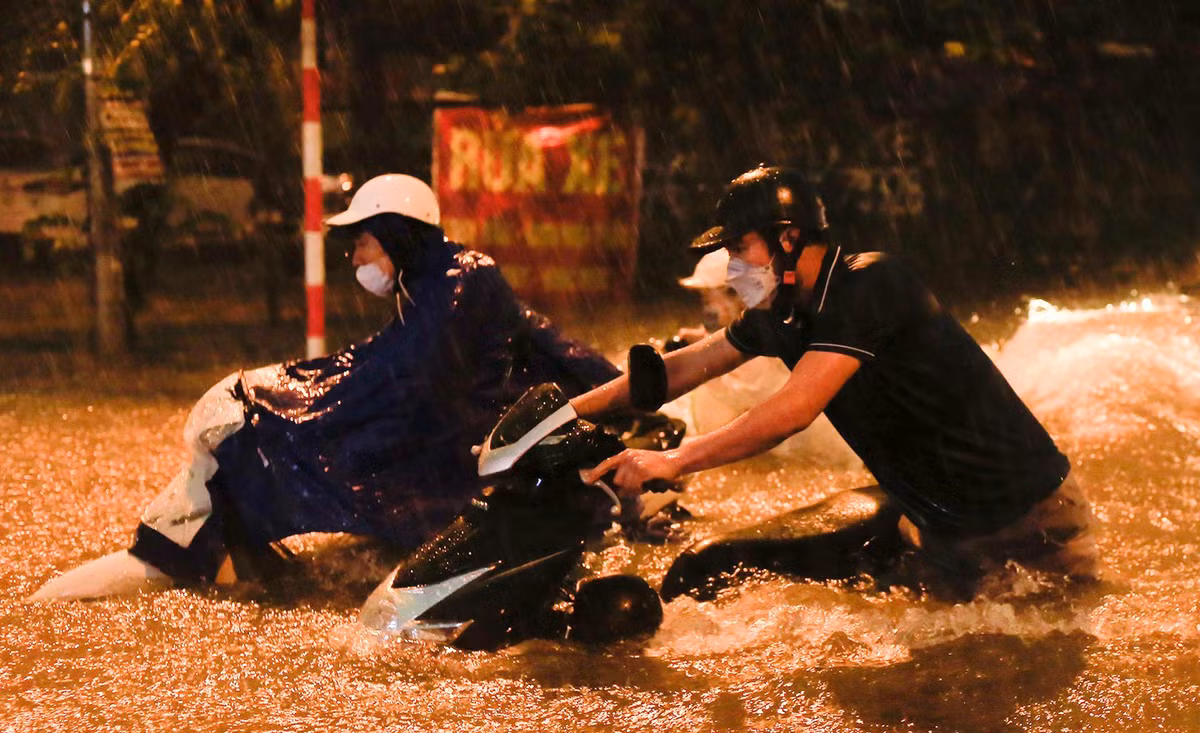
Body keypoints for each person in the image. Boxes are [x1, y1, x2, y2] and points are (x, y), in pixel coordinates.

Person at [32, 174, 621, 600]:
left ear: (394, 235)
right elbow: (524, 343)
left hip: (480, 459)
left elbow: (402, 376)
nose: (354, 255)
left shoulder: (458, 281)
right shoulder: (436, 282)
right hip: (475, 455)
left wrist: (276, 401)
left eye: (362, 241)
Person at [578, 165, 1097, 598]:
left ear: (788, 237)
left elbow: (793, 410)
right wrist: (565, 414)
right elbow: (680, 370)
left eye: (740, 249)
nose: (732, 268)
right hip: (944, 528)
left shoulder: (869, 285)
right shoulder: (779, 313)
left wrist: (673, 459)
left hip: (1028, 521)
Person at [663, 249, 857, 464]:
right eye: (703, 299)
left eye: (709, 298)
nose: (706, 307)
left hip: (818, 455)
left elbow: (744, 394)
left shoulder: (768, 336)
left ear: (735, 293)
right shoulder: (771, 320)